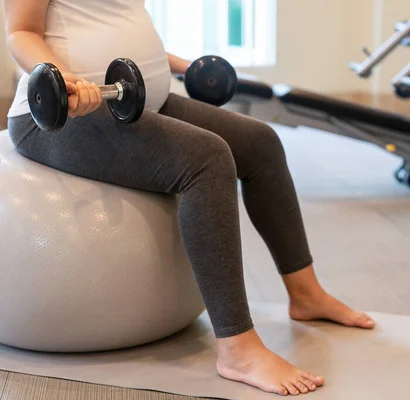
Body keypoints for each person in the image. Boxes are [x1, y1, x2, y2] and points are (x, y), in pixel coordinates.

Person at [3, 0, 376, 396]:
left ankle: (306, 295)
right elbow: (21, 32)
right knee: (206, 158)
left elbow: (111, 22)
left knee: (260, 143)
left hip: (133, 101)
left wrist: (179, 65)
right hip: (61, 117)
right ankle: (238, 349)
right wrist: (66, 80)